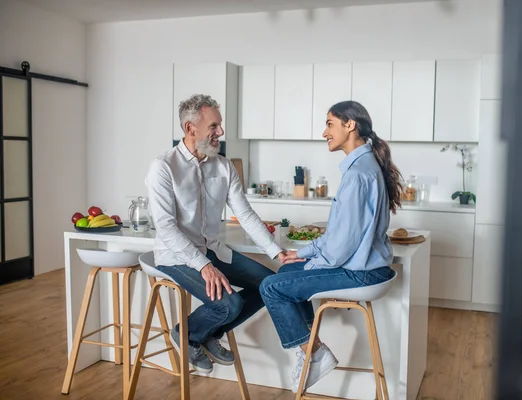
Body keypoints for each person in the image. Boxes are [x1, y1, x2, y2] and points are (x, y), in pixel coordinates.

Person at [259, 100, 403, 392]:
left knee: (271, 287)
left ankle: (314, 353)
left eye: (329, 124)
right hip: (369, 267)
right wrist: (300, 254)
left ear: (350, 125)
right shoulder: (366, 165)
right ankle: (310, 351)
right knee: (284, 275)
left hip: (360, 272)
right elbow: (341, 235)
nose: (324, 132)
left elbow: (340, 248)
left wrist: (309, 262)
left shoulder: (358, 174)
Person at [146, 94, 286, 373]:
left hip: (212, 249)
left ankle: (204, 335)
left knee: (270, 286)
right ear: (190, 129)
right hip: (177, 256)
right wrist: (204, 265)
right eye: (214, 126)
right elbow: (167, 227)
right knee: (229, 304)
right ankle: (185, 334)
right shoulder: (163, 167)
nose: (220, 132)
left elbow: (244, 214)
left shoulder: (224, 166)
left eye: (219, 125)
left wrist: (276, 252)